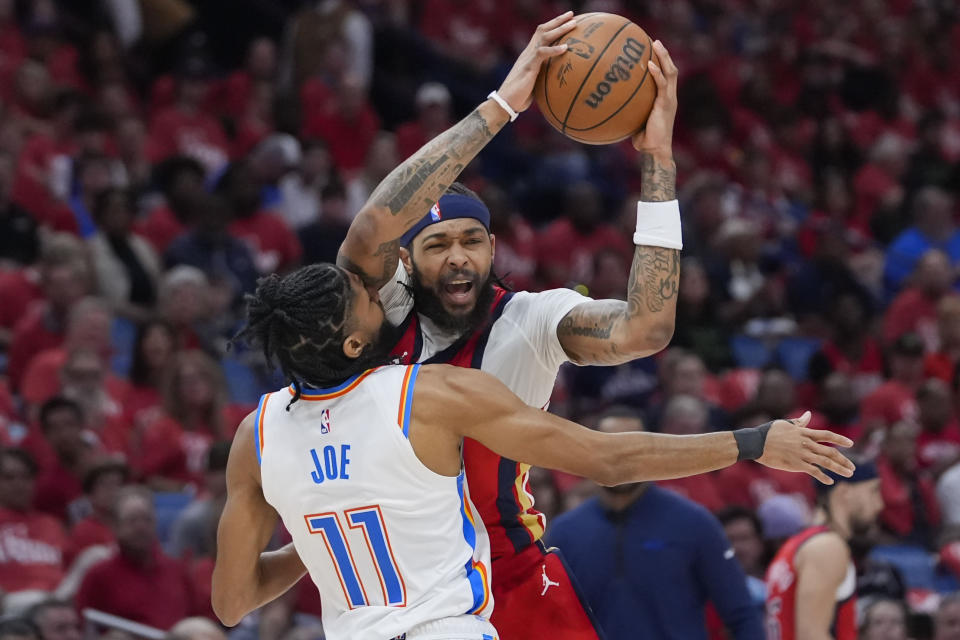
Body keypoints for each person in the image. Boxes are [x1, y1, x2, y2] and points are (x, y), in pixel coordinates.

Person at [213, 262, 854, 640]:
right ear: (354, 343)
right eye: (367, 301)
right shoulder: (429, 394)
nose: (381, 297)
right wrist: (751, 441)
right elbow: (608, 460)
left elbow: (231, 601)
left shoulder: (257, 435)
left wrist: (314, 545)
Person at [336, 17, 690, 638]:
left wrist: (658, 160)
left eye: (472, 242)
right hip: (401, 587)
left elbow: (646, 329)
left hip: (513, 578)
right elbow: (368, 230)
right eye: (437, 245)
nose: (458, 258)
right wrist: (503, 105)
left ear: (494, 247)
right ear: (405, 261)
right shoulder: (382, 309)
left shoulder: (529, 319)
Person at [545, 410, 765, 640]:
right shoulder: (565, 532)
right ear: (590, 454)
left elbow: (742, 615)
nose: (620, 457)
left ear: (652, 452)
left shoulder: (695, 523)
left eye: (631, 447)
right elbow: (545, 621)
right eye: (609, 447)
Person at [764, 461, 883, 640]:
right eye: (873, 491)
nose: (879, 504)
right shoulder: (827, 547)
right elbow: (811, 635)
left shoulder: (797, 545)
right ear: (845, 493)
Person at [75, 486, 199, 630]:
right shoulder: (98, 576)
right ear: (115, 526)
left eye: (146, 519)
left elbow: (196, 618)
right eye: (132, 521)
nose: (141, 527)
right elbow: (85, 627)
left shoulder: (177, 571)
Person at [0, 449, 69, 596]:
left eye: (26, 477)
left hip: (57, 600)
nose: (19, 484)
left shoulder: (52, 524)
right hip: (10, 605)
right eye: (9, 478)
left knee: (96, 555)